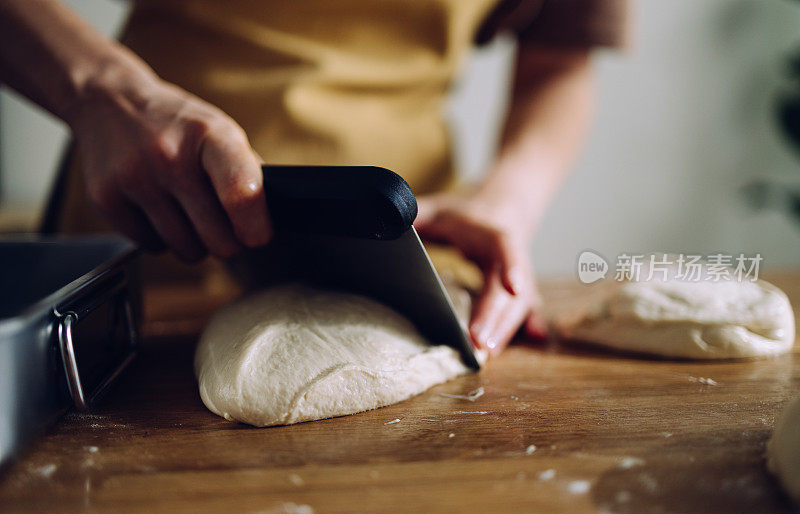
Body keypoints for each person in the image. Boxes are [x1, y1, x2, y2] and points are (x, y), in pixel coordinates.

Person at [0, 0, 628, 356]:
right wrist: (101, 90)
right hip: (148, 209)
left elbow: (560, 63)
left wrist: (508, 199)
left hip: (398, 255)